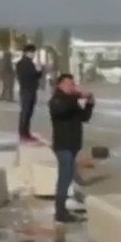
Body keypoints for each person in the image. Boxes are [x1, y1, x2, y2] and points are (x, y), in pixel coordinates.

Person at [48, 73, 94, 224]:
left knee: (67, 178)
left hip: (73, 144)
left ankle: (62, 209)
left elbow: (84, 117)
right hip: (62, 145)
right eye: (68, 84)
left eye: (72, 84)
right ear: (60, 85)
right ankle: (59, 211)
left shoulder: (72, 102)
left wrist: (89, 104)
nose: (72, 87)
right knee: (64, 177)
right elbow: (63, 110)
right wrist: (78, 96)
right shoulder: (57, 100)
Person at [16, 44, 43, 142]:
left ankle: (25, 132)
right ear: (27, 52)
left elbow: (35, 76)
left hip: (30, 89)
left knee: (29, 112)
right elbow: (29, 76)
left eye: (33, 52)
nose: (33, 54)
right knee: (26, 112)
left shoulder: (29, 63)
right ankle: (23, 133)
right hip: (27, 90)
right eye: (32, 52)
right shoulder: (23, 63)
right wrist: (38, 71)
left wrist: (39, 72)